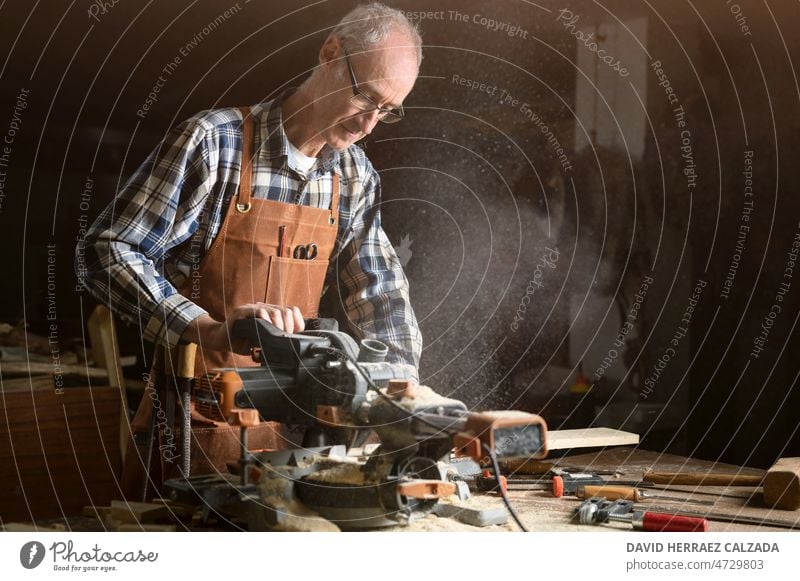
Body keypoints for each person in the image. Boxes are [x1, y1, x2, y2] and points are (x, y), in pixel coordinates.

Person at [77, 2, 423, 498]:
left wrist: (400, 395)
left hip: (293, 440)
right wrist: (208, 330)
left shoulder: (354, 177)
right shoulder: (215, 145)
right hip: (193, 428)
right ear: (330, 53)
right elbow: (107, 252)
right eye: (366, 96)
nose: (369, 124)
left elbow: (381, 294)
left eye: (387, 110)